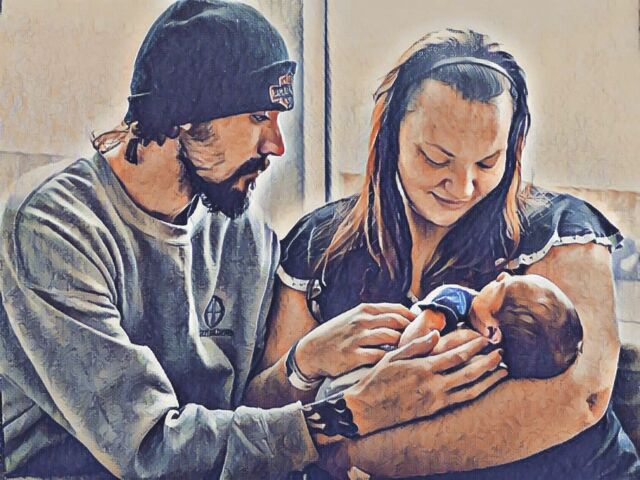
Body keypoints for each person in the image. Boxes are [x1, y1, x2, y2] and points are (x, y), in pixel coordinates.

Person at [0, 3, 506, 478]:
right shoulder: (53, 227)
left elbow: (237, 420)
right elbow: (150, 451)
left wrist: (304, 362)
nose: (277, 144)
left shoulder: (244, 234)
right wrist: (356, 411)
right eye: (258, 118)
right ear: (185, 115)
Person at [247, 29, 640, 478]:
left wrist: (353, 456)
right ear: (390, 135)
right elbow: (258, 416)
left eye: (488, 162)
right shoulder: (320, 243)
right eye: (436, 158)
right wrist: (305, 361)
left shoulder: (561, 228)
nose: (463, 186)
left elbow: (582, 397)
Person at [318, 272, 583, 401]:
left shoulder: (461, 308)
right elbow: (408, 345)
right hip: (366, 374)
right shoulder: (456, 302)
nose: (502, 274)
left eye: (500, 286)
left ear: (492, 331)